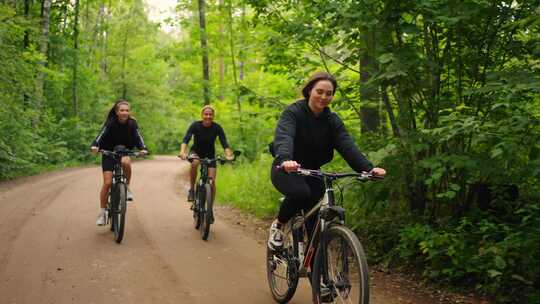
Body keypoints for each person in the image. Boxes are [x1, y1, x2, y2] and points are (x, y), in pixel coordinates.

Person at [268, 71, 386, 250]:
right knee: (301, 193)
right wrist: (285, 160)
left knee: (315, 225)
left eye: (329, 93)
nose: (324, 97)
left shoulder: (332, 120)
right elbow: (285, 137)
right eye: (319, 91)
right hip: (286, 169)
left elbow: (347, 146)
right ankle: (279, 224)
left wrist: (368, 169)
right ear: (309, 91)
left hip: (313, 170)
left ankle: (316, 271)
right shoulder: (293, 113)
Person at [90, 99, 148, 226]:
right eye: (122, 110)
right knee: (107, 183)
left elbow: (138, 137)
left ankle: (126, 187)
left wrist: (143, 148)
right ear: (117, 112)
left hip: (124, 151)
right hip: (109, 152)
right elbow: (101, 135)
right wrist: (95, 145)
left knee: (126, 163)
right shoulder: (111, 122)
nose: (125, 113)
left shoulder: (132, 123)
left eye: (127, 110)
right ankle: (103, 212)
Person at [178, 105, 234, 203]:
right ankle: (192, 189)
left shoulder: (217, 127)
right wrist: (182, 152)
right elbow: (186, 139)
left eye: (210, 114)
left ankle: (210, 209)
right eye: (206, 114)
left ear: (213, 116)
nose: (208, 116)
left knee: (212, 182)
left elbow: (224, 143)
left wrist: (229, 155)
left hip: (210, 155)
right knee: (194, 163)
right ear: (202, 115)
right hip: (196, 152)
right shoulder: (195, 125)